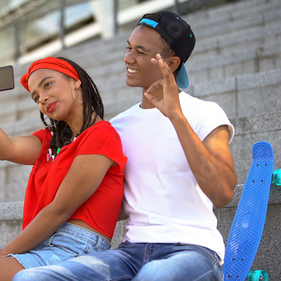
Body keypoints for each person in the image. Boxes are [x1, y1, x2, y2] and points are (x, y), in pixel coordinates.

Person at [12, 11, 237, 281]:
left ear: (172, 62)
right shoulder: (117, 128)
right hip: (130, 254)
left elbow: (223, 193)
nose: (127, 58)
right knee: (32, 279)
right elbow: (109, 203)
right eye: (128, 48)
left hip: (193, 251)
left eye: (141, 52)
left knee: (154, 276)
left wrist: (176, 117)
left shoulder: (204, 114)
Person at [0, 56, 127, 281]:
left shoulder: (101, 134)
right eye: (36, 97)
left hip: (75, 247)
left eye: (47, 85)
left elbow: (60, 208)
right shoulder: (51, 140)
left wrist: (3, 253)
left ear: (75, 81)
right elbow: (6, 149)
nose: (42, 98)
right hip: (41, 243)